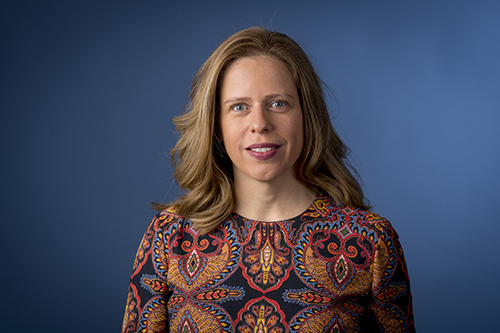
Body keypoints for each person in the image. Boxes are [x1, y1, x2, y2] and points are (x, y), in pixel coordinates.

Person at [121, 27, 415, 332]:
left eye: (278, 103)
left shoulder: (370, 241)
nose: (259, 124)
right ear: (216, 126)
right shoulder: (169, 237)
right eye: (239, 107)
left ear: (307, 115)